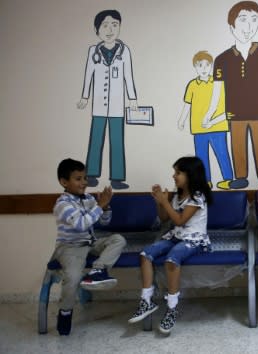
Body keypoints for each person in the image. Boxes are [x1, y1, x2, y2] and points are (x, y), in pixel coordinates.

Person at [203, 1, 258, 188]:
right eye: (243, 20)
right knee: (238, 148)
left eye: (254, 20)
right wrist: (210, 114)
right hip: (235, 113)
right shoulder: (222, 59)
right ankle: (240, 178)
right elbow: (217, 89)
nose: (249, 26)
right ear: (232, 24)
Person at [128, 156, 212, 335]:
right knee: (145, 255)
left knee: (172, 259)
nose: (174, 176)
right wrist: (160, 203)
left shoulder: (198, 197)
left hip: (193, 240)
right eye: (175, 172)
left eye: (178, 172)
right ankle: (146, 301)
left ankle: (172, 308)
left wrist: (165, 202)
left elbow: (180, 220)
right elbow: (166, 219)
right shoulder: (178, 196)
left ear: (191, 175)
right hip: (176, 236)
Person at [51, 158, 126, 335]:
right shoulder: (62, 204)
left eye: (85, 178)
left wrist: (105, 207)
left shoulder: (88, 198)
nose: (84, 183)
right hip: (70, 247)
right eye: (78, 179)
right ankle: (66, 311)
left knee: (118, 239)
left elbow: (105, 222)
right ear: (64, 182)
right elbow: (81, 224)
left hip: (90, 243)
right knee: (73, 276)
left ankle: (98, 270)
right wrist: (100, 205)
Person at [77, 9, 138, 190]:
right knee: (96, 139)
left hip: (118, 106)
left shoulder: (124, 51)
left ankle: (117, 178)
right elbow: (88, 74)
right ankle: (92, 174)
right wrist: (85, 97)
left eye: (114, 25)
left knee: (116, 140)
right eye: (105, 25)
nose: (110, 29)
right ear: (97, 30)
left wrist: (132, 98)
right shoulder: (93, 51)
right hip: (99, 105)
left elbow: (129, 75)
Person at [177, 50, 234, 190]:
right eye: (199, 65)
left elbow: (226, 103)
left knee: (222, 153)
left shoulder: (218, 83)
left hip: (218, 127)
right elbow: (187, 104)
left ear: (211, 66)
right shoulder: (192, 85)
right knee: (201, 157)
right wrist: (181, 120)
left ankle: (227, 179)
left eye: (207, 65)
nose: (203, 69)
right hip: (198, 128)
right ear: (195, 67)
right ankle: (206, 181)